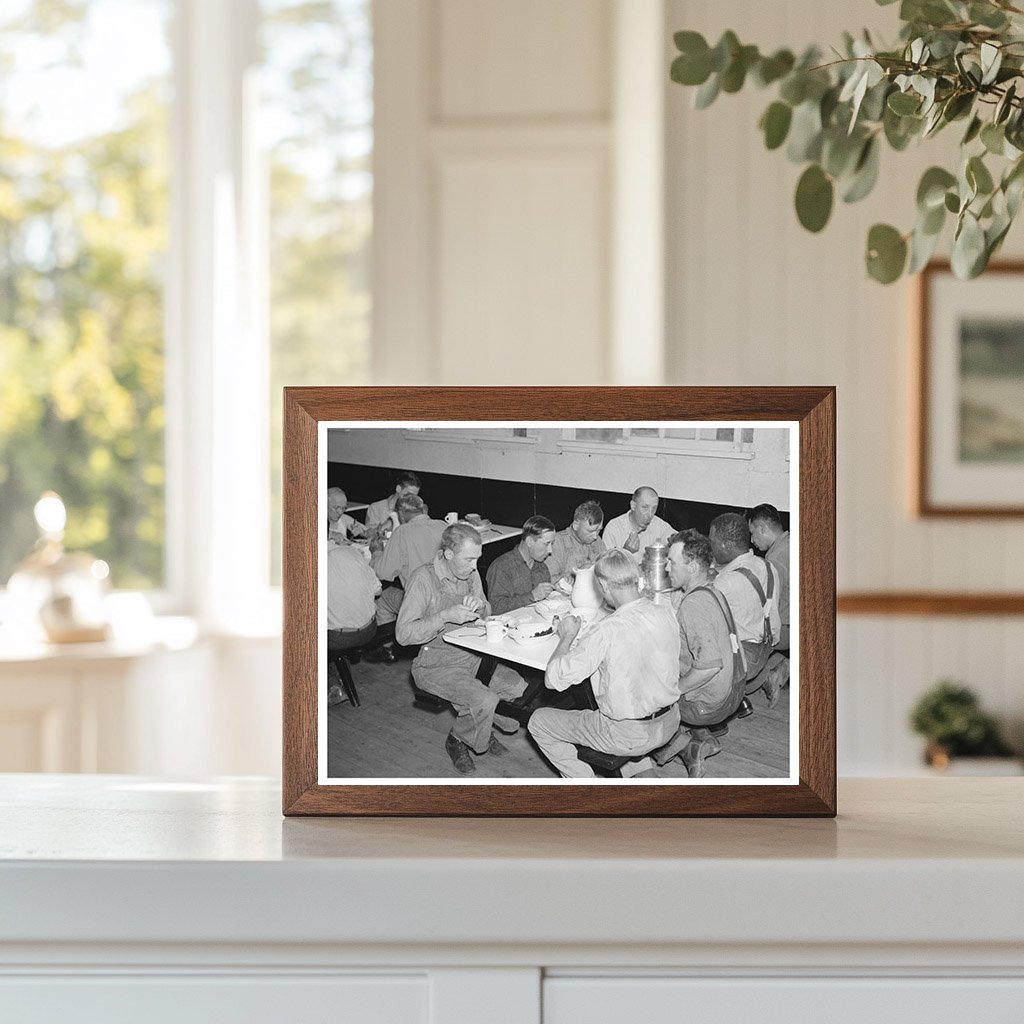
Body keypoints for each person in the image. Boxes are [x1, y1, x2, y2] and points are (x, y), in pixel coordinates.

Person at [527, 549, 682, 778]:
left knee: (538, 721)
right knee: (619, 706)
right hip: (669, 721)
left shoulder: (607, 629)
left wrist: (567, 635)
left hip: (628, 734)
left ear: (604, 585)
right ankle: (644, 775)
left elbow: (552, 680)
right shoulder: (665, 612)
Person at [397, 523, 527, 775]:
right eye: (468, 559)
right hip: (434, 663)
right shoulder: (423, 579)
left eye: (477, 559)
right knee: (484, 699)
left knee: (517, 687)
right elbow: (403, 635)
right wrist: (444, 616)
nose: (474, 566)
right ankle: (458, 739)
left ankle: (481, 725)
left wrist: (480, 606)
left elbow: (488, 610)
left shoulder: (470, 574)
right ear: (448, 554)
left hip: (471, 655)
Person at [652, 530, 747, 777]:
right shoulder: (712, 590)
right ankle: (701, 734)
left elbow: (708, 667)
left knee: (645, 693)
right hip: (735, 690)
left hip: (713, 703)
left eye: (672, 562)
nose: (666, 568)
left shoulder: (693, 604)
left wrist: (670, 692)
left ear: (692, 567)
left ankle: (687, 748)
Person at [709, 512, 781, 708]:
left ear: (725, 545)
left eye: (712, 541)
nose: (710, 546)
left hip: (741, 659)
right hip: (765, 648)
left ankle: (709, 718)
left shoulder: (725, 582)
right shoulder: (767, 566)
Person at [326, 540, 386, 704]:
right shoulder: (351, 552)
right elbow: (378, 590)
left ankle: (332, 686)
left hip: (339, 638)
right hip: (369, 629)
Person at [746, 503, 791, 707]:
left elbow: (769, 607)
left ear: (763, 528)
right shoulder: (791, 542)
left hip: (787, 629)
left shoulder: (774, 559)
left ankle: (771, 674)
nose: (752, 541)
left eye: (753, 533)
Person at [370, 493, 447, 590]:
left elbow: (383, 573)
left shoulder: (402, 531)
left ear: (401, 514)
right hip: (447, 594)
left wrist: (376, 552)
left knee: (380, 596)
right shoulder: (443, 525)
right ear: (422, 509)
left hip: (419, 598)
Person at [485, 515, 556, 614]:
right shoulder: (501, 567)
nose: (550, 551)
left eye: (552, 544)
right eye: (546, 544)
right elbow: (496, 608)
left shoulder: (541, 567)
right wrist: (532, 596)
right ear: (529, 541)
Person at [601, 487, 674, 565]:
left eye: (654, 508)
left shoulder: (659, 525)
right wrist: (625, 552)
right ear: (633, 505)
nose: (650, 514)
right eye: (645, 507)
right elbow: (605, 567)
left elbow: (680, 540)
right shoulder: (614, 528)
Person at [545, 500, 606, 588]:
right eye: (590, 531)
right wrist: (577, 574)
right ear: (576, 525)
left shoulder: (598, 542)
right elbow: (547, 579)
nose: (595, 536)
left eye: (599, 530)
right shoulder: (557, 543)